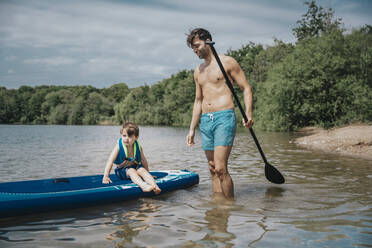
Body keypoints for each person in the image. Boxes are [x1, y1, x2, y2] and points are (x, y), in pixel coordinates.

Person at [186, 28, 254, 198]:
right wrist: (192, 128)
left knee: (220, 168)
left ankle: (229, 206)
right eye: (192, 48)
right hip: (205, 120)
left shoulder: (227, 62)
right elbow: (198, 101)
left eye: (197, 46)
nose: (195, 51)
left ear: (208, 40)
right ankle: (218, 207)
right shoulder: (198, 71)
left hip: (224, 116)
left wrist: (248, 113)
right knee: (211, 167)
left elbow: (246, 88)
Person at [102, 122, 161, 194]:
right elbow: (110, 161)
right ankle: (143, 186)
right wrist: (106, 176)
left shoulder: (138, 146)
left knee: (142, 170)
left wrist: (147, 174)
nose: (126, 139)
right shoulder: (118, 147)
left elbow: (144, 161)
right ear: (121, 135)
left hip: (135, 166)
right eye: (124, 136)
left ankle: (154, 186)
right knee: (131, 170)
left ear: (136, 137)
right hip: (121, 170)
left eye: (130, 136)